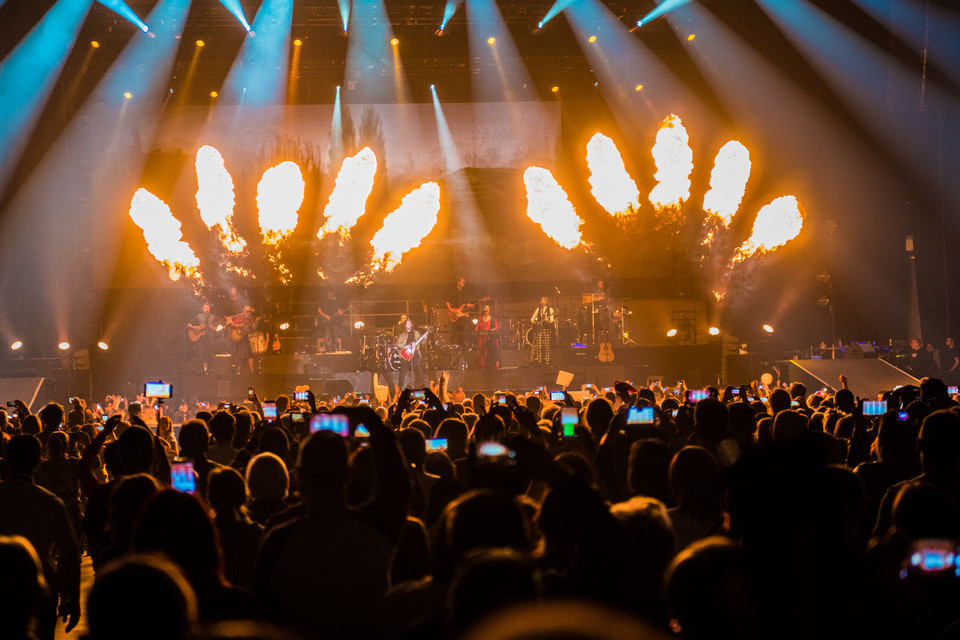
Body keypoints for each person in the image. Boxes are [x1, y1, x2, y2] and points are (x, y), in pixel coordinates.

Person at [0, 435, 81, 640]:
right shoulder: (50, 502)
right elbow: (70, 553)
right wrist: (74, 597)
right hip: (40, 585)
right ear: (38, 461)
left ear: (7, 460)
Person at [226, 305, 258, 374]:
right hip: (239, 339)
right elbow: (231, 324)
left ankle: (252, 372)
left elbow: (252, 328)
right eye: (246, 311)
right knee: (239, 354)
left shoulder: (252, 319)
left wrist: (254, 325)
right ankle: (238, 370)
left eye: (249, 312)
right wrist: (239, 325)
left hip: (247, 338)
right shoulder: (239, 318)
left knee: (250, 354)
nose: (248, 313)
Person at [188, 303, 217, 374]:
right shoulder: (198, 316)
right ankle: (202, 369)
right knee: (201, 353)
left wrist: (213, 328)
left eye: (208, 308)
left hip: (210, 338)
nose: (206, 310)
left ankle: (210, 369)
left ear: (209, 310)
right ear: (202, 309)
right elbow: (188, 324)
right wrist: (196, 327)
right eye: (205, 308)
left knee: (210, 353)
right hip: (200, 339)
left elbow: (216, 328)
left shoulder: (213, 317)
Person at [396, 319, 426, 390]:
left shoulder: (416, 333)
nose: (409, 324)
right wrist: (405, 347)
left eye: (410, 323)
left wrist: (425, 339)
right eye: (408, 323)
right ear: (405, 326)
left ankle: (421, 386)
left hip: (415, 353)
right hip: (406, 353)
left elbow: (423, 343)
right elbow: (397, 344)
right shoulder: (402, 335)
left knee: (419, 369)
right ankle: (400, 388)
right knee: (403, 371)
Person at [446, 277, 474, 348]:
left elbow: (466, 304)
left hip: (463, 313)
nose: (464, 283)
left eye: (464, 282)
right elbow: (447, 301)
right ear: (458, 282)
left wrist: (469, 305)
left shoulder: (465, 292)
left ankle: (466, 343)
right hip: (455, 313)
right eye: (462, 282)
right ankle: (452, 344)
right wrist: (450, 309)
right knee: (453, 328)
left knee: (467, 323)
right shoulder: (452, 291)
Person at [530, 296, 555, 367]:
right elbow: (532, 319)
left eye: (543, 300)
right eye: (541, 300)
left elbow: (552, 320)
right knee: (538, 346)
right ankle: (539, 361)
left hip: (547, 329)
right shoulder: (538, 309)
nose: (541, 302)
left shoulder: (550, 310)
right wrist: (536, 323)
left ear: (546, 302)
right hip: (539, 329)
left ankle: (547, 361)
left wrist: (548, 321)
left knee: (547, 346)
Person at [475, 304, 500, 369]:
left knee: (487, 351)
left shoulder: (493, 319)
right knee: (481, 351)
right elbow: (477, 327)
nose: (486, 309)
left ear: (490, 310)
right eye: (485, 308)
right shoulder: (480, 318)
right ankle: (481, 365)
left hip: (489, 338)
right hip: (481, 337)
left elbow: (497, 327)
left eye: (487, 308)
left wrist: (491, 330)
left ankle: (487, 365)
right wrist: (476, 330)